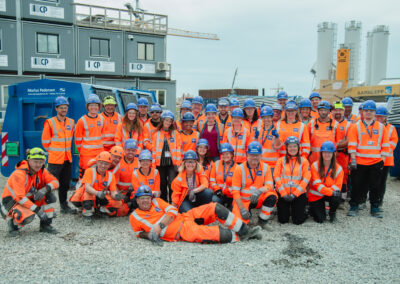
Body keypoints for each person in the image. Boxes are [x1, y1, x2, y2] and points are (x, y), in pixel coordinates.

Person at [129, 185, 262, 244]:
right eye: (142, 198)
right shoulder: (134, 217)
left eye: (147, 197)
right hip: (182, 231)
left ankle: (245, 230)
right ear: (137, 200)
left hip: (185, 216)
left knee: (215, 207)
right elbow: (138, 233)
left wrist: (159, 226)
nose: (146, 200)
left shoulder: (156, 201)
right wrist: (149, 235)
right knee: (217, 234)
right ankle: (241, 237)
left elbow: (173, 210)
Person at [1, 148, 60, 236]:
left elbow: (55, 182)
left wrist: (45, 189)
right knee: (28, 217)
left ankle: (45, 225)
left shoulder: (42, 171)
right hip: (11, 203)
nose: (38, 165)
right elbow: (20, 198)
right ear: (29, 160)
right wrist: (38, 210)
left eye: (41, 162)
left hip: (26, 200)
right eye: (35, 161)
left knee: (50, 196)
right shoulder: (19, 174)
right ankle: (13, 225)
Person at [347, 100, 390, 218]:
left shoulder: (381, 127)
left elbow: (385, 145)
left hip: (375, 162)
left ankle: (374, 207)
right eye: (366, 111)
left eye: (371, 111)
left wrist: (382, 160)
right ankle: (354, 206)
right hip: (359, 162)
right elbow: (352, 144)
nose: (368, 113)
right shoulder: (355, 127)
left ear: (374, 112)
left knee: (375, 186)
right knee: (357, 185)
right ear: (362, 112)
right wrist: (353, 159)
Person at [41, 96, 76, 214]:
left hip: (67, 159)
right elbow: (45, 142)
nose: (64, 110)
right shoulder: (50, 122)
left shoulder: (71, 122)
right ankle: (47, 208)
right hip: (55, 160)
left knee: (65, 185)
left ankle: (64, 206)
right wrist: (55, 152)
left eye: (65, 108)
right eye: (61, 108)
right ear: (56, 108)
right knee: (50, 185)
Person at [231, 141, 278, 229]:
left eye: (257, 155)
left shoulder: (265, 167)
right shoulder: (239, 169)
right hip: (243, 201)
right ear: (247, 155)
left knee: (272, 196)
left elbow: (269, 185)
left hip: (258, 198)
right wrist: (242, 209)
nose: (254, 157)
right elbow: (235, 192)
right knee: (239, 225)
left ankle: (263, 221)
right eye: (252, 155)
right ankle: (247, 214)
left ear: (260, 155)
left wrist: (260, 191)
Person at [77, 151, 125, 224]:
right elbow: (87, 187)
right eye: (101, 163)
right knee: (87, 194)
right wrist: (97, 193)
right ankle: (87, 215)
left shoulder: (111, 175)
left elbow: (113, 191)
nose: (103, 166)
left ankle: (101, 211)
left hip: (102, 197)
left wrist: (116, 196)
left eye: (106, 164)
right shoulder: (89, 171)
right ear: (97, 162)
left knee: (118, 203)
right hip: (92, 194)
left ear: (109, 165)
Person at [274, 136, 310, 225]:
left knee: (298, 221)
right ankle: (289, 210)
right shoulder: (280, 160)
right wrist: (283, 193)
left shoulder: (304, 161)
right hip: (284, 194)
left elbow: (306, 179)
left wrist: (295, 194)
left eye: (294, 146)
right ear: (286, 148)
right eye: (290, 146)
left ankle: (303, 210)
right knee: (283, 220)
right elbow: (276, 177)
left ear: (298, 147)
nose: (292, 148)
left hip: (298, 194)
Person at [309, 141, 344, 223]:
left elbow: (337, 187)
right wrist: (330, 192)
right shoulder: (314, 166)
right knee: (320, 219)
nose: (327, 155)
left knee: (337, 195)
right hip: (316, 195)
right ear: (321, 153)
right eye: (324, 152)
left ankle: (332, 213)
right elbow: (317, 185)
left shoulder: (338, 169)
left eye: (329, 152)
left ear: (333, 154)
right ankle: (312, 209)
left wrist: (330, 192)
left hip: (329, 194)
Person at [152, 110, 182, 202]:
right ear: (162, 120)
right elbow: (153, 150)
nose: (168, 122)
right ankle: (164, 203)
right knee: (162, 184)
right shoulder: (156, 134)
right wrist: (153, 165)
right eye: (166, 120)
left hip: (172, 164)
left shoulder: (175, 133)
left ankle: (172, 203)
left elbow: (178, 149)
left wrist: (178, 163)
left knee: (172, 184)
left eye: (170, 121)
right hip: (160, 164)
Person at [75, 94, 104, 178]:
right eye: (91, 105)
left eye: (95, 105)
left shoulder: (102, 119)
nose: (93, 107)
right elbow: (77, 140)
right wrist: (82, 153)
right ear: (88, 107)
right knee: (87, 175)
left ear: (99, 107)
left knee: (98, 175)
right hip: (87, 154)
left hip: (99, 153)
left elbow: (102, 136)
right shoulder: (82, 120)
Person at [375, 106, 398, 208]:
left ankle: (380, 200)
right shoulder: (372, 127)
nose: (379, 119)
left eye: (382, 117)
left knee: (382, 182)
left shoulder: (391, 128)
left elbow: (393, 142)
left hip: (386, 160)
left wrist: (383, 152)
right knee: (372, 180)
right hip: (373, 159)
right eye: (378, 116)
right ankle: (372, 198)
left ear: (385, 117)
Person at [307, 100, 339, 165]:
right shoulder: (311, 123)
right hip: (314, 160)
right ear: (318, 111)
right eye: (321, 110)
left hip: (329, 160)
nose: (323, 112)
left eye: (325, 110)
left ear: (329, 111)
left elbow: (338, 143)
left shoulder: (335, 124)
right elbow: (306, 141)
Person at [252, 106, 281, 172]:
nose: (266, 120)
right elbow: (257, 147)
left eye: (268, 117)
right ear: (261, 118)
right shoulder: (259, 131)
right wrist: (255, 138)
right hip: (261, 164)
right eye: (264, 118)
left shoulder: (277, 130)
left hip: (273, 165)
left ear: (271, 118)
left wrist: (277, 137)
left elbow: (278, 147)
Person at [332, 101, 352, 193]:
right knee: (329, 175)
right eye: (336, 110)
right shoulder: (329, 123)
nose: (338, 112)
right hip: (329, 155)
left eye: (340, 110)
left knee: (343, 175)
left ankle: (342, 199)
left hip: (343, 155)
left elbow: (348, 141)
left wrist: (333, 146)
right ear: (332, 111)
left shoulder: (349, 125)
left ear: (343, 111)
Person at [210, 143, 237, 207]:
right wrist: (217, 190)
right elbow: (212, 180)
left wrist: (226, 191)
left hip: (231, 195)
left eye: (227, 154)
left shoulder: (237, 168)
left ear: (232, 154)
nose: (225, 156)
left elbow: (237, 186)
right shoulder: (216, 164)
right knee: (214, 200)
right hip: (219, 194)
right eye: (223, 154)